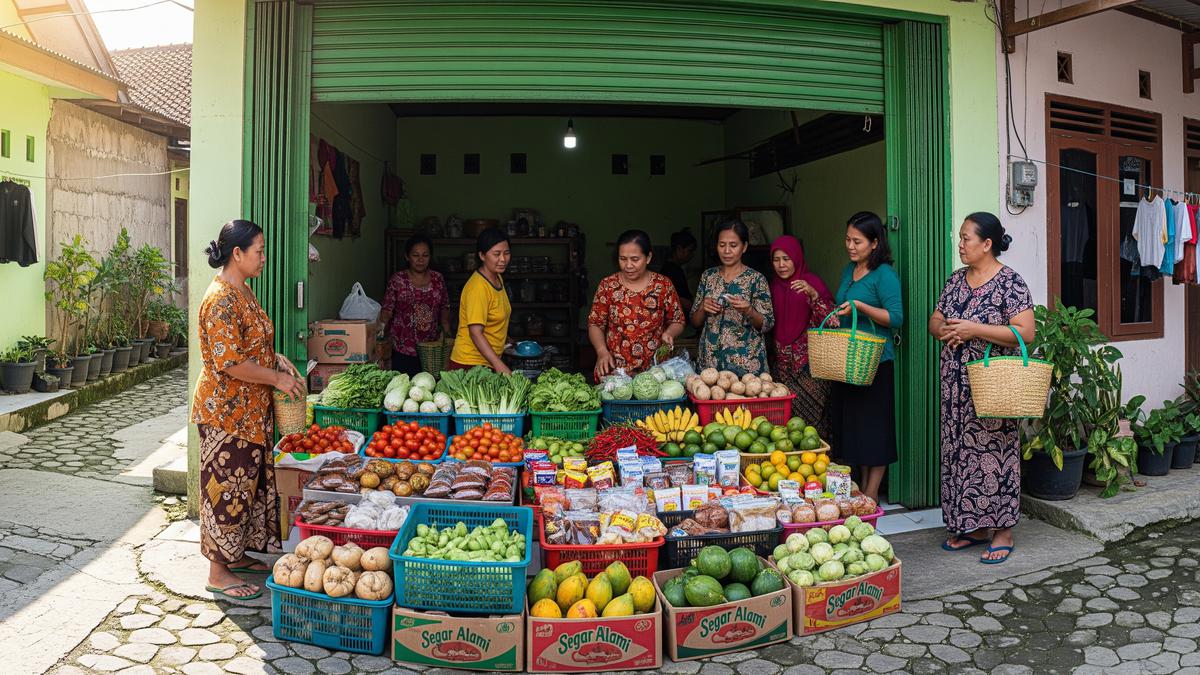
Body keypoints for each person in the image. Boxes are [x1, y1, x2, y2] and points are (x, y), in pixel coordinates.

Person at [192, 219, 305, 600]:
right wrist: (275, 379)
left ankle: (236, 556)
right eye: (259, 251)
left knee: (246, 490)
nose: (264, 257)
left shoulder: (243, 290)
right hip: (226, 414)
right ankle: (217, 572)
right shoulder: (220, 299)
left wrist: (275, 359)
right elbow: (230, 363)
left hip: (249, 412)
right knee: (226, 490)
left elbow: (250, 345)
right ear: (237, 253)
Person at [930, 212, 1033, 565]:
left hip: (992, 386)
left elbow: (1025, 332)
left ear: (987, 244)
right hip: (954, 387)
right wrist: (946, 330)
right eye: (960, 238)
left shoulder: (1010, 283)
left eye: (966, 238)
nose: (960, 245)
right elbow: (935, 320)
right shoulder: (955, 280)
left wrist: (974, 329)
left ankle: (1003, 530)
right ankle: (972, 526)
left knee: (995, 454)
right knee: (958, 452)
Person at [829, 211, 904, 503]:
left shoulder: (885, 275)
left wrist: (861, 307)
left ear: (874, 243)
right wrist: (838, 316)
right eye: (847, 239)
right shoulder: (849, 270)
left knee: (875, 429)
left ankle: (872, 492)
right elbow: (844, 305)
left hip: (875, 361)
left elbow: (895, 317)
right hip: (847, 361)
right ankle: (860, 487)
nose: (850, 246)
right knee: (855, 429)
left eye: (857, 241)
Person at [588, 230, 686, 379]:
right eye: (623, 259)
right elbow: (595, 323)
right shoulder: (608, 286)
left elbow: (678, 320)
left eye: (635, 259)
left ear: (648, 257)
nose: (628, 265)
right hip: (615, 372)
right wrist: (601, 351)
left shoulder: (663, 285)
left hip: (656, 373)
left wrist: (669, 333)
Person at [769, 235, 836, 439]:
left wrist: (814, 295)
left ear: (797, 258)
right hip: (781, 370)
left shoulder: (812, 282)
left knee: (814, 427)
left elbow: (833, 321)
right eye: (776, 259)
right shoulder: (772, 287)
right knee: (784, 427)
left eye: (786, 259)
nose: (781, 265)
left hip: (811, 367)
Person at [690, 220, 774, 376]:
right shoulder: (708, 276)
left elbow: (767, 324)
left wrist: (749, 311)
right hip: (710, 365)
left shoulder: (756, 279)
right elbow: (695, 322)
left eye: (733, 245)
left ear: (744, 247)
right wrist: (702, 307)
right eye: (722, 245)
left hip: (747, 366)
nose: (727, 251)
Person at [379, 234, 450, 374]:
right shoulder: (398, 280)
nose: (420, 260)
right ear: (407, 257)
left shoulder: (437, 279)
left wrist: (447, 337)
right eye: (415, 255)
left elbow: (444, 308)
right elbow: (386, 311)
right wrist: (380, 338)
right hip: (402, 349)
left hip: (431, 349)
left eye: (425, 255)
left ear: (430, 257)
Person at [449, 228, 512, 373]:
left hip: (487, 362)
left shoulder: (497, 278)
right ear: (482, 255)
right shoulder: (478, 287)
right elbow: (476, 333)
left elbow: (492, 319)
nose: (503, 259)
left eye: (506, 253)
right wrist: (500, 366)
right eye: (496, 254)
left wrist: (506, 339)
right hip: (469, 365)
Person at [660, 228, 697, 314]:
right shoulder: (672, 271)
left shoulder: (672, 268)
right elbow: (681, 300)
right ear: (679, 249)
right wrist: (697, 311)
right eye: (689, 251)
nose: (692, 255)